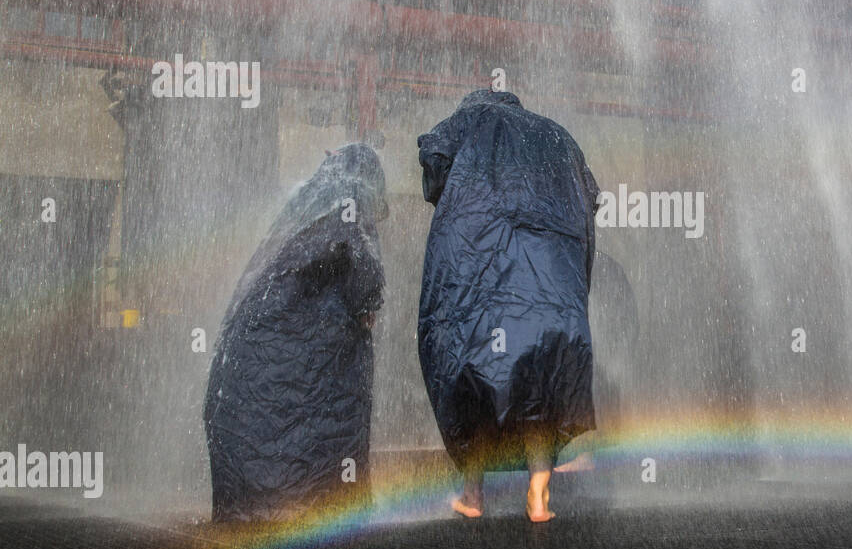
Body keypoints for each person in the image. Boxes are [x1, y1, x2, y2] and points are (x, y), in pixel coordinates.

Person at [418, 89, 600, 522]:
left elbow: (434, 159)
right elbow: (591, 195)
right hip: (554, 295)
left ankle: (473, 494)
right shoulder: (558, 135)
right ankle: (539, 496)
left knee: (475, 380)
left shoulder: (471, 119)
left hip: (484, 286)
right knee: (542, 386)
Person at [203, 143, 387, 523]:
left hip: (251, 341)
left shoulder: (305, 198)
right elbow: (361, 257)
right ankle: (318, 511)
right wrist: (367, 304)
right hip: (305, 341)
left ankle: (258, 509)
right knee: (321, 415)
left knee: (277, 420)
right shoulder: (353, 193)